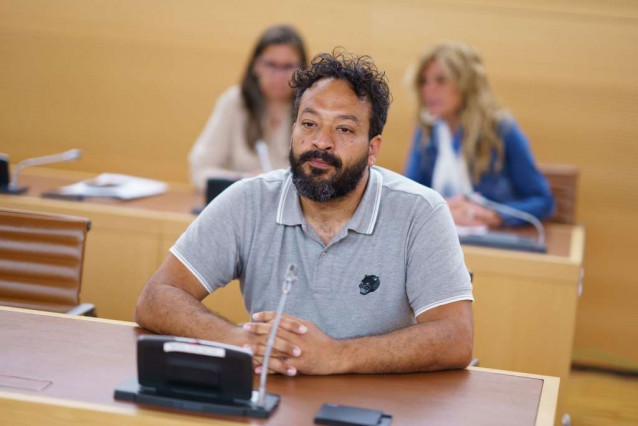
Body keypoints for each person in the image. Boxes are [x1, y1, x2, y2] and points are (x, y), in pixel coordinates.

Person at [136, 51, 474, 377]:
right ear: (293, 130)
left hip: (378, 404)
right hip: (272, 397)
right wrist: (239, 341)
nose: (321, 142)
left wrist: (337, 356)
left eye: (343, 129)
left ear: (372, 149)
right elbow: (156, 297)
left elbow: (456, 337)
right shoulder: (248, 200)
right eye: (309, 124)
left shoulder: (420, 212)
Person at [404, 41, 554, 227]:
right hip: (440, 240)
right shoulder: (427, 130)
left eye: (441, 80)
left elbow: (543, 201)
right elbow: (410, 198)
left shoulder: (501, 129)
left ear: (465, 84)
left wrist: (496, 216)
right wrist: (442, 208)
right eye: (424, 81)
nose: (429, 90)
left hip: (489, 243)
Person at [188, 25, 308, 192]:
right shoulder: (234, 102)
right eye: (271, 65)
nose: (279, 76)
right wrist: (244, 181)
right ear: (256, 66)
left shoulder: (312, 109)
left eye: (288, 66)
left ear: (302, 69)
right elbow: (200, 171)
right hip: (243, 204)